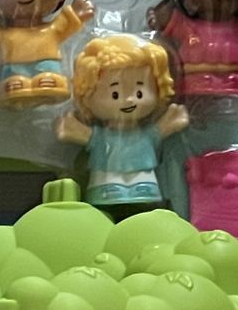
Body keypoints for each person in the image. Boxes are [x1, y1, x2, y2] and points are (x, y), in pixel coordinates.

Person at [56, 35, 191, 206]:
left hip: (144, 175)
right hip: (106, 176)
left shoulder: (147, 133)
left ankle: (142, 186)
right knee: (107, 179)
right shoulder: (101, 136)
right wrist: (72, 129)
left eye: (139, 93)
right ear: (87, 95)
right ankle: (109, 187)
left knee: (143, 180)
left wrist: (172, 121)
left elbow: (159, 131)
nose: (128, 100)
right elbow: (86, 136)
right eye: (115, 94)